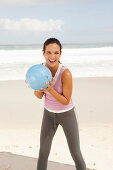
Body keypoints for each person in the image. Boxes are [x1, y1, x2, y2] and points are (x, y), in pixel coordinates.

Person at [34, 38, 86, 170]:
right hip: (49, 114)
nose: (52, 56)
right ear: (43, 53)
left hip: (67, 114)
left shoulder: (65, 73)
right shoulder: (40, 70)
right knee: (43, 152)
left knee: (75, 152)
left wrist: (50, 89)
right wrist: (36, 87)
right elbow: (39, 96)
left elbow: (66, 100)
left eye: (56, 53)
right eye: (49, 52)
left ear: (60, 54)